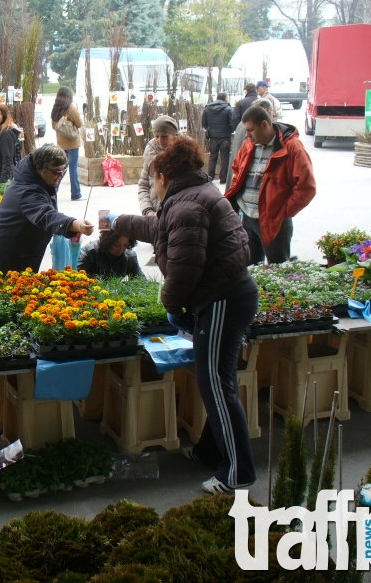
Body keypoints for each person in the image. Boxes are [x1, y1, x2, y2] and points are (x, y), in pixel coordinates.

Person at [107, 136, 257, 495]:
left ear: (162, 175)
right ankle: (209, 451)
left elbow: (184, 269)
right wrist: (119, 222)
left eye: (152, 180)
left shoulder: (187, 205)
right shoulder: (193, 196)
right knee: (213, 382)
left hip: (223, 301)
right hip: (224, 298)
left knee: (217, 384)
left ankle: (238, 473)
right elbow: (158, 229)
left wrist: (171, 306)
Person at [0, 144, 94, 275]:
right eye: (56, 172)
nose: (60, 176)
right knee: (13, 293)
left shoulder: (40, 179)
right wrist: (74, 224)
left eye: (63, 170)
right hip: (4, 254)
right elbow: (46, 215)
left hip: (20, 250)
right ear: (39, 169)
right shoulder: (27, 191)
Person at [226, 106, 316, 265]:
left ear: (265, 125)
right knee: (250, 269)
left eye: (251, 130)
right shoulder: (248, 144)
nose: (247, 135)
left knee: (278, 269)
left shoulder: (292, 147)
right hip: (247, 218)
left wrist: (282, 212)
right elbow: (237, 170)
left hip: (274, 222)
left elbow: (306, 187)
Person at [225, 98, 273, 190]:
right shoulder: (250, 129)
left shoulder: (242, 125)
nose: (273, 114)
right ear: (266, 110)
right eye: (272, 111)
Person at [138, 115, 179, 216]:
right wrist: (148, 211)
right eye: (157, 136)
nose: (160, 140)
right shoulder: (150, 159)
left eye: (164, 136)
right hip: (153, 216)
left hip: (175, 215)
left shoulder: (183, 158)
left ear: (174, 135)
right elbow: (143, 186)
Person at [50, 86, 84, 201]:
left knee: (60, 169)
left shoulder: (56, 109)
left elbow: (54, 126)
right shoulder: (71, 109)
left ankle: (53, 191)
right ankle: (76, 194)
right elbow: (79, 124)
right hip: (73, 143)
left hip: (61, 144)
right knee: (73, 169)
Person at [77, 230, 144, 278]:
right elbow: (75, 275)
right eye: (116, 245)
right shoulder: (91, 252)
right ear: (108, 242)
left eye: (125, 245)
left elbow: (141, 280)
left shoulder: (130, 256)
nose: (121, 250)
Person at [201, 92, 233, 184]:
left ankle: (210, 177)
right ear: (225, 99)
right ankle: (223, 179)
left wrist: (210, 130)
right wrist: (229, 131)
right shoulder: (228, 109)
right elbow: (232, 123)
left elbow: (204, 123)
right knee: (225, 158)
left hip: (213, 137)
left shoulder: (207, 109)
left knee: (212, 157)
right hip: (225, 136)